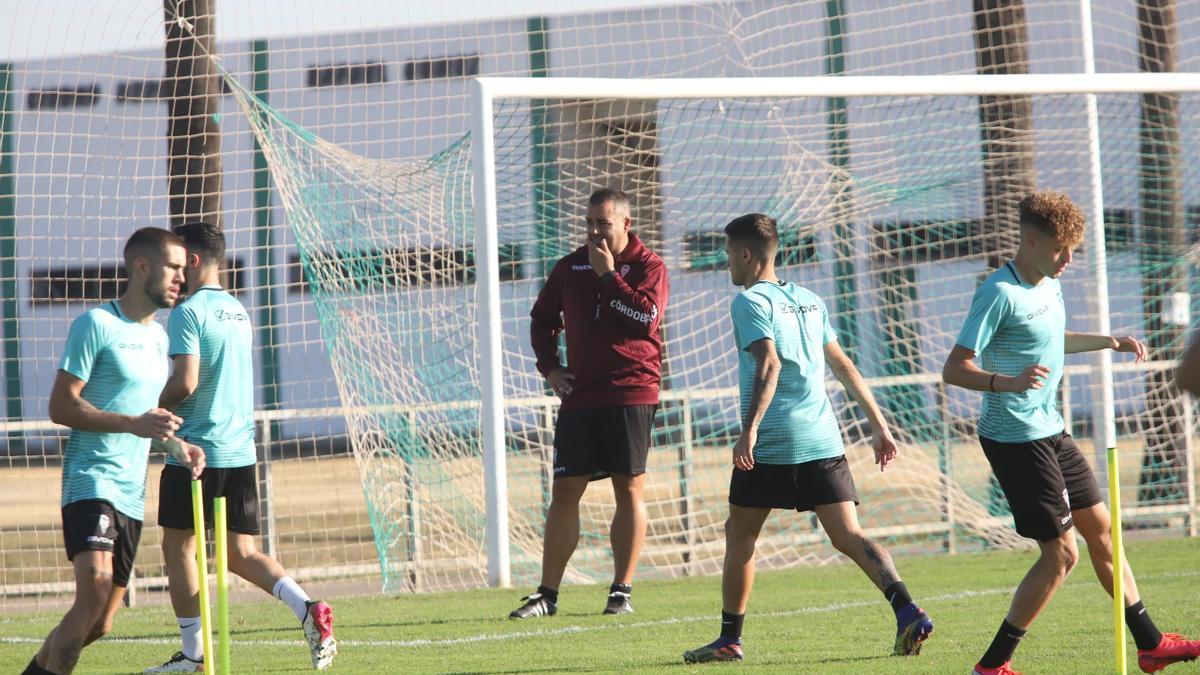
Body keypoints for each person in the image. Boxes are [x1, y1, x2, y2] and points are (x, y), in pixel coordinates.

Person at [942, 190, 1200, 675]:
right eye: (1062, 248)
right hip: (1014, 436)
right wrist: (1007, 382)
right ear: (1032, 240)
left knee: (1102, 532)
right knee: (1062, 556)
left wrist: (1108, 341)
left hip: (1051, 430)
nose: (1069, 259)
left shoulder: (1048, 285)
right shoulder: (998, 292)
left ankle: (1150, 644)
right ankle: (993, 665)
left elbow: (1046, 338)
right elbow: (954, 368)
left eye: (1074, 249)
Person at [683, 213, 934, 664]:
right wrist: (880, 426)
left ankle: (728, 639)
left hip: (776, 440)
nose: (726, 266)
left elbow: (769, 363)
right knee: (850, 535)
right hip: (822, 438)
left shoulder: (750, 302)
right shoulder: (810, 300)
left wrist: (749, 431)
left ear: (744, 255)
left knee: (740, 533)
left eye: (727, 256)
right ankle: (908, 609)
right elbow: (845, 366)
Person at [144, 222, 336, 672]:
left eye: (175, 262)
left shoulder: (189, 312)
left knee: (180, 549)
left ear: (192, 261)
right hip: (240, 451)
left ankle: (194, 656)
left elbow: (187, 381)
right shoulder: (237, 310)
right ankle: (308, 608)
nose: (172, 273)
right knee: (241, 553)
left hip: (198, 451)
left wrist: (148, 405)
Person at [23, 228, 205, 675]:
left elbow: (145, 421)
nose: (182, 277)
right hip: (92, 481)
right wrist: (134, 424)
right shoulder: (96, 324)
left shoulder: (160, 340)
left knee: (102, 622)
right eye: (174, 267)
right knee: (93, 597)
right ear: (141, 266)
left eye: (185, 269)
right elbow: (61, 405)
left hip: (130, 496)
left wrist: (177, 445)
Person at [509, 188, 669, 618]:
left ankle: (621, 591)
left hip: (631, 392)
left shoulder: (649, 266)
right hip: (580, 397)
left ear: (626, 224)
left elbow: (645, 321)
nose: (595, 231)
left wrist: (608, 276)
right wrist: (550, 368)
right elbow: (542, 319)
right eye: (589, 222)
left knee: (628, 487)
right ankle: (547, 594)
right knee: (565, 490)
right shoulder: (570, 266)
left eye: (604, 223)